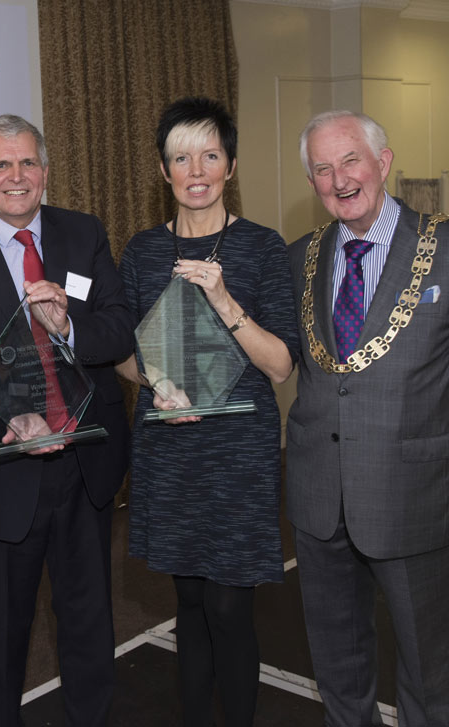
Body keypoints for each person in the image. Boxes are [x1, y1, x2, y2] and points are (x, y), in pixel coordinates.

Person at [286, 110, 449, 727]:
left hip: (415, 499)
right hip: (319, 497)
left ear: (382, 163)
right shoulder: (299, 258)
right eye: (322, 169)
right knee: (337, 664)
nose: (339, 179)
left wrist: (431, 463)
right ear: (313, 182)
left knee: (425, 665)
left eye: (350, 161)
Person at [0, 114, 134, 726]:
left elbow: (117, 327)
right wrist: (9, 421)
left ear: (46, 170)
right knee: (4, 638)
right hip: (5, 472)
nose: (17, 177)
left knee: (90, 627)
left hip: (86, 465)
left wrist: (69, 327)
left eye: (28, 163)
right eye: (2, 165)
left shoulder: (83, 233)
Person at [115, 97, 299, 726]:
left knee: (229, 610)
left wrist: (223, 298)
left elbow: (279, 365)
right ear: (163, 172)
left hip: (238, 456)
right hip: (170, 450)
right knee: (188, 607)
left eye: (210, 155)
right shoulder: (141, 253)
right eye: (180, 157)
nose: (197, 169)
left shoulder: (263, 249)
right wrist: (158, 384)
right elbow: (123, 358)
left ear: (232, 164)